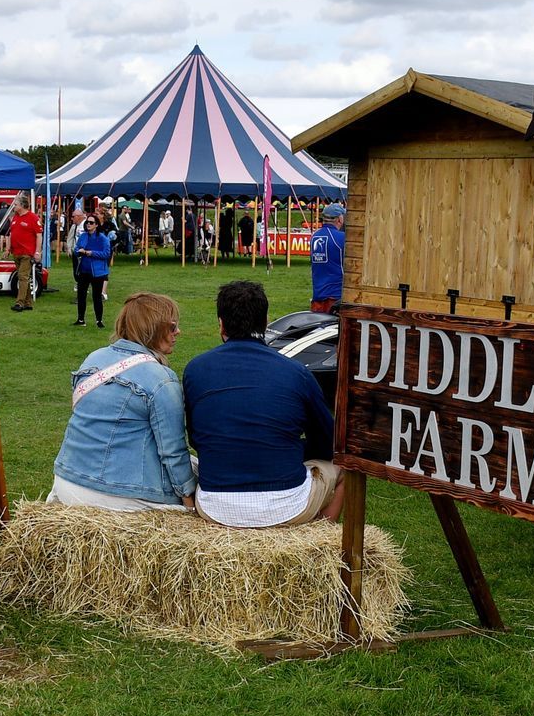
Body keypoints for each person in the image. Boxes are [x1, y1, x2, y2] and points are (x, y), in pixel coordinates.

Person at [183, 281, 340, 528]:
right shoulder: (296, 372)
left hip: (215, 503)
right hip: (286, 502)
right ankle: (321, 541)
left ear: (221, 323)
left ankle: (318, 546)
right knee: (345, 469)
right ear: (266, 321)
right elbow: (328, 444)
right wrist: (288, 446)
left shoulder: (195, 370)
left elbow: (196, 439)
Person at [50, 292, 195, 511]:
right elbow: (172, 451)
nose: (178, 332)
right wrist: (189, 503)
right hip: (119, 493)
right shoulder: (160, 380)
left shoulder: (93, 358)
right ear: (153, 329)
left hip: (67, 480)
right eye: (172, 327)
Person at [73, 214, 112, 327]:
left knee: (96, 297)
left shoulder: (102, 238)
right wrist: (78, 251)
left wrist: (92, 253)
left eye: (91, 222)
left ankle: (99, 321)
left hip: (97, 272)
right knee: (81, 295)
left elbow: (106, 254)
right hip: (84, 270)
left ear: (96, 225)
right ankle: (81, 319)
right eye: (87, 222)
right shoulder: (83, 236)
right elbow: (76, 248)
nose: (88, 224)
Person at [309, 202, 347, 313]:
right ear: (340, 219)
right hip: (336, 296)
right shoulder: (342, 237)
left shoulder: (315, 236)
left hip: (318, 295)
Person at [8, 197, 42, 311]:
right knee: (23, 277)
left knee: (22, 277)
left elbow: (39, 235)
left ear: (22, 205)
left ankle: (19, 303)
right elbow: (12, 233)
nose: (14, 206)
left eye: (16, 204)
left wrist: (37, 251)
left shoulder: (32, 217)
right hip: (16, 252)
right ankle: (28, 303)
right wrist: (8, 249)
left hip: (27, 252)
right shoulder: (15, 217)